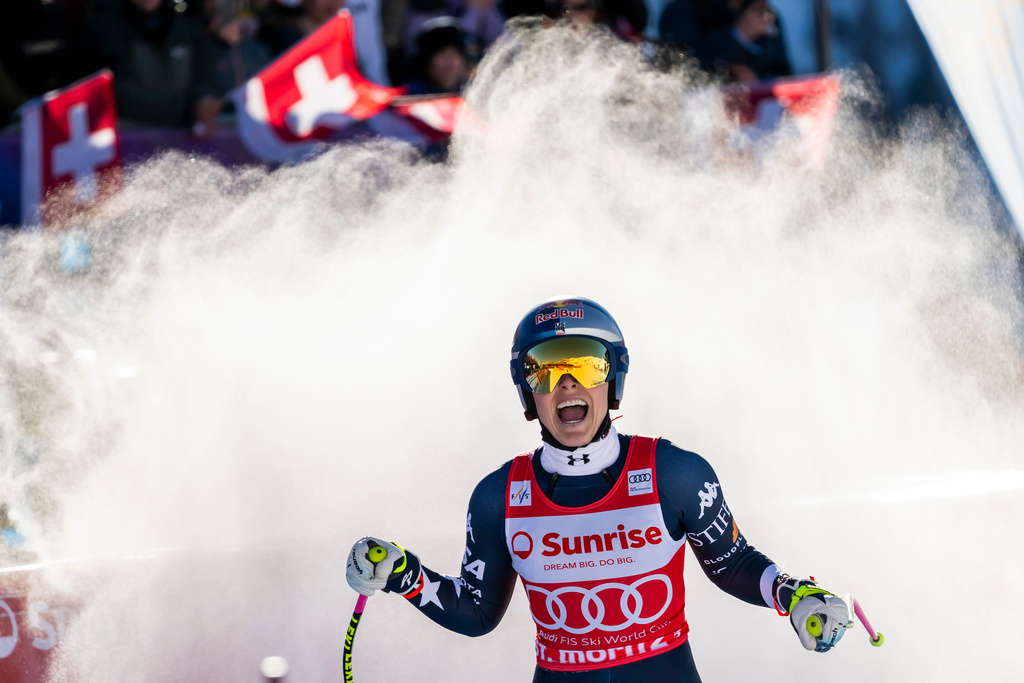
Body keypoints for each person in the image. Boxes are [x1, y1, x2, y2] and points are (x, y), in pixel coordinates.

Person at [346, 297, 850, 681]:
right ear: (529, 392)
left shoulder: (673, 473)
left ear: (612, 381)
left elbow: (734, 563)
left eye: (586, 364)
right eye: (545, 369)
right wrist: (400, 572)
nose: (567, 383)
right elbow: (477, 612)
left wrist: (795, 595)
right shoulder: (498, 496)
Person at [658, 0, 792, 82]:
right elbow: (677, 67)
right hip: (701, 117)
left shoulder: (766, 15)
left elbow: (782, 74)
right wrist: (736, 36)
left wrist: (758, 81)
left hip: (758, 118)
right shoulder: (681, 10)